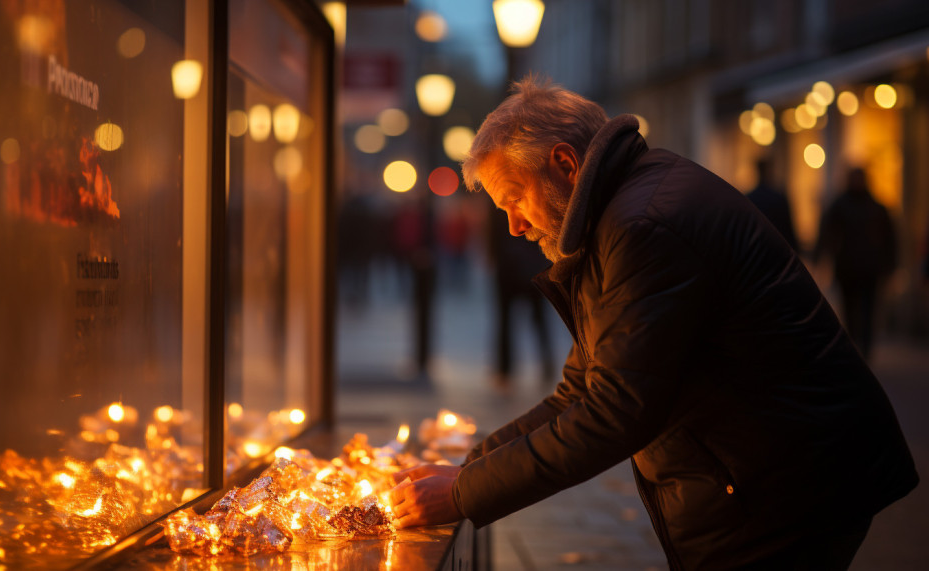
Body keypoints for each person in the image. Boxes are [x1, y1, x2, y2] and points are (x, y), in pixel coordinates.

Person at [388, 76, 918, 570]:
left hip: (792, 484)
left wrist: (462, 492)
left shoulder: (642, 226)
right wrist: (468, 470)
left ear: (565, 164)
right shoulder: (618, 212)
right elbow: (581, 387)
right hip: (773, 472)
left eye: (516, 199)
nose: (515, 225)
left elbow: (616, 410)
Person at [813, 167, 898, 359]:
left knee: (868, 310)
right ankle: (855, 346)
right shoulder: (842, 205)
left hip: (869, 268)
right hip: (848, 268)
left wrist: (890, 265)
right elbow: (827, 233)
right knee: (850, 310)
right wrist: (820, 258)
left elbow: (889, 239)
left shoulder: (875, 207)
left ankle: (865, 349)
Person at [487, 205, 554, 388]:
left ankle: (505, 370)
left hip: (511, 268)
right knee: (538, 321)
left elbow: (492, 235)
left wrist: (493, 257)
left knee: (508, 322)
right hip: (529, 267)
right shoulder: (526, 197)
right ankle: (546, 365)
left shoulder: (499, 202)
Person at [746, 157, 799, 253]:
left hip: (757, 249)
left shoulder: (750, 198)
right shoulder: (779, 198)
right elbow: (788, 227)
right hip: (776, 249)